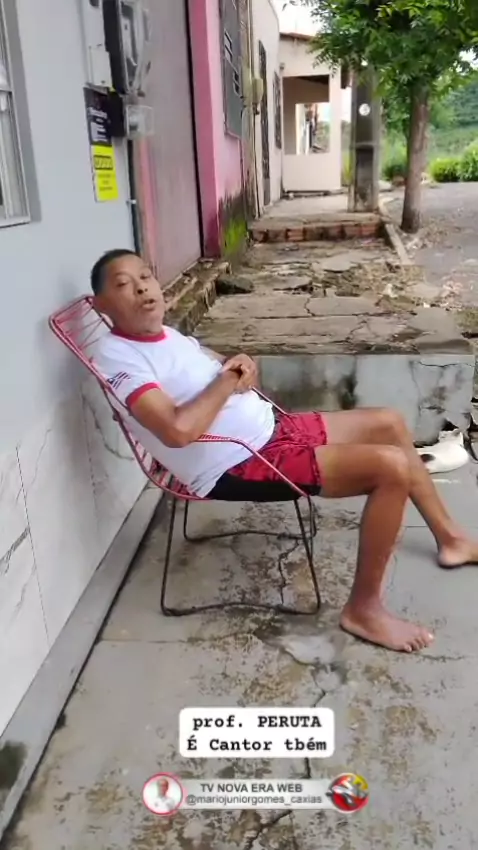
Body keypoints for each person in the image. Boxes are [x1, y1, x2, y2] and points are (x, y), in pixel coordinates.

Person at [91, 249, 478, 654]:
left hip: (273, 430)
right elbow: (177, 431)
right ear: (102, 305)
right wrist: (229, 379)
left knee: (390, 422)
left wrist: (239, 364)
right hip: (238, 462)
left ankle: (451, 539)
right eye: (123, 285)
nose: (142, 288)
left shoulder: (169, 336)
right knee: (390, 467)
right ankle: (364, 609)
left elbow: (221, 367)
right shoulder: (118, 356)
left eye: (146, 277)